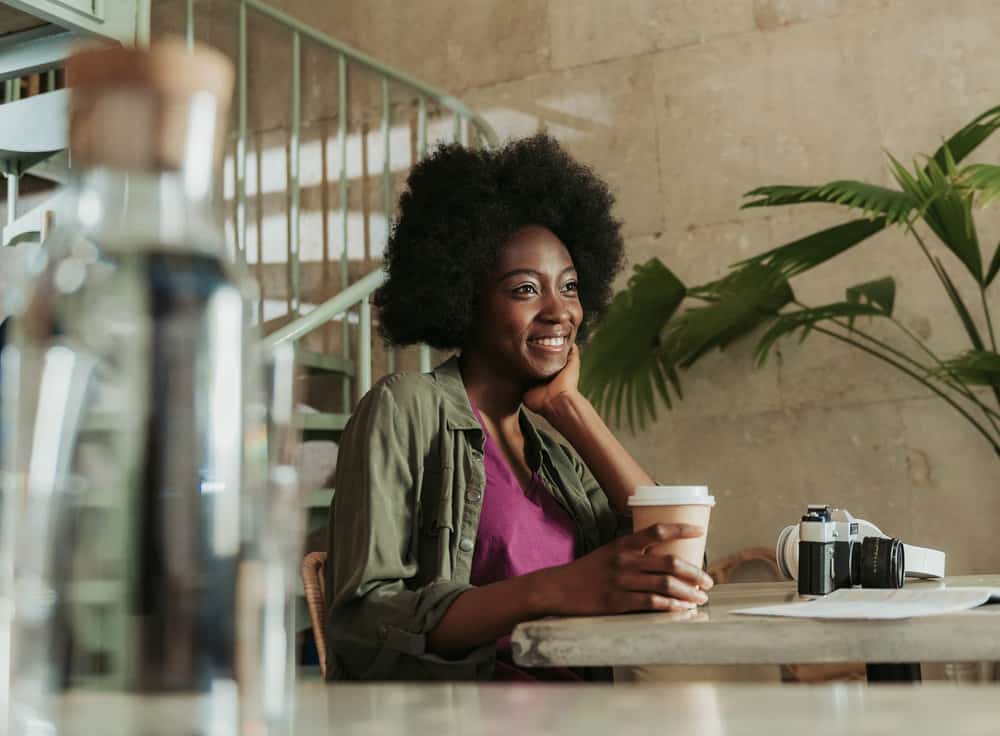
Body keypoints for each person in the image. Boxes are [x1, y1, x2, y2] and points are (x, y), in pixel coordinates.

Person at [324, 134, 714, 682]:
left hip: (588, 713)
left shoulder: (553, 443)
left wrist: (570, 407)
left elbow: (674, 549)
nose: (560, 311)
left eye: (571, 287)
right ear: (465, 298)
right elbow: (363, 621)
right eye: (526, 289)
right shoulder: (405, 408)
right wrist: (550, 589)